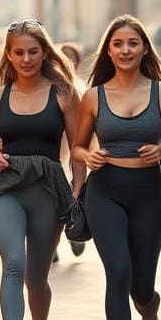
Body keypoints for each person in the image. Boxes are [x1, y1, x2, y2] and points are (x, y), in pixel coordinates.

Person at [72, 16, 161, 320]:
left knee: (142, 288)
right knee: (117, 272)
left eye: (133, 43)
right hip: (105, 192)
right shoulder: (93, 96)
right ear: (109, 50)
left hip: (148, 193)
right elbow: (77, 146)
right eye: (117, 44)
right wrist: (88, 156)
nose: (125, 50)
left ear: (144, 48)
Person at [0, 19, 84, 320]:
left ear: (44, 53)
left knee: (37, 277)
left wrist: (78, 189)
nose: (26, 59)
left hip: (47, 188)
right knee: (13, 264)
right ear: (8, 55)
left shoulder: (63, 94)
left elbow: (78, 148)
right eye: (18, 52)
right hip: (5, 186)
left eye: (33, 52)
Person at [58, 41, 87, 258]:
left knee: (70, 191)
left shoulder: (80, 86)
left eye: (71, 57)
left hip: (75, 144)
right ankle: (52, 244)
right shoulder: (50, 85)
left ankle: (73, 231)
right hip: (55, 147)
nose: (67, 60)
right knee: (53, 195)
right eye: (63, 56)